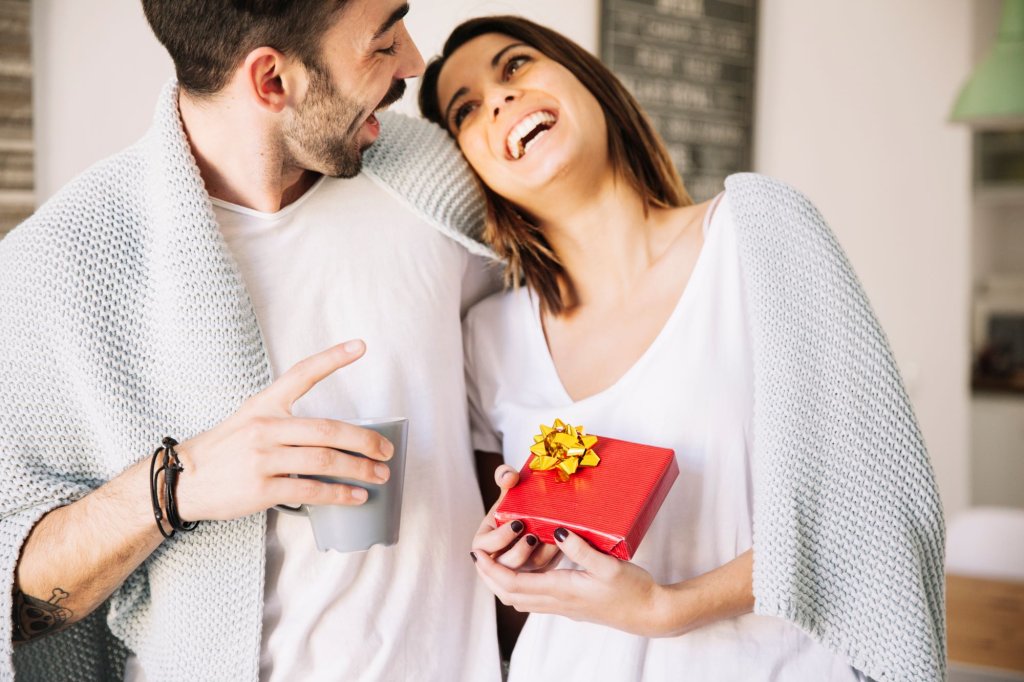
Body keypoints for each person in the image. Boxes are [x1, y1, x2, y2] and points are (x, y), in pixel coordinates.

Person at [419, 15, 946, 682]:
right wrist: (514, 560)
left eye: (515, 66)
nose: (497, 99)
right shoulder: (487, 336)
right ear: (471, 167)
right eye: (466, 110)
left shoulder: (757, 235)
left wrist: (666, 608)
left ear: (586, 80)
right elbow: (512, 602)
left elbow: (874, 508)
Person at [0, 1, 503, 679]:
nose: (413, 64)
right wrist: (178, 487)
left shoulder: (436, 179)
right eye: (383, 45)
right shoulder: (59, 269)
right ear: (272, 80)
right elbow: (23, 598)